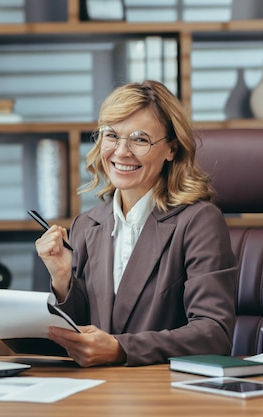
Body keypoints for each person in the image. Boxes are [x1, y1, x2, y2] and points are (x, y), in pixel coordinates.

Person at [34, 80, 237, 367]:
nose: (121, 152)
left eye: (140, 139)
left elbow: (213, 333)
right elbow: (82, 334)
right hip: (96, 392)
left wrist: (121, 348)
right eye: (112, 135)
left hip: (162, 393)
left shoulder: (198, 222)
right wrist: (63, 279)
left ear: (171, 150)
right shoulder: (86, 224)